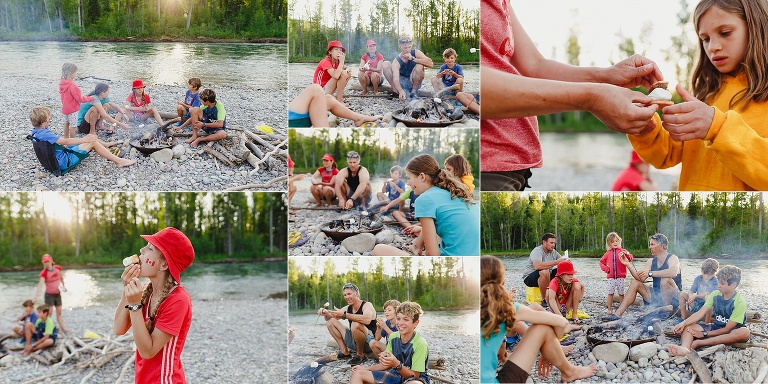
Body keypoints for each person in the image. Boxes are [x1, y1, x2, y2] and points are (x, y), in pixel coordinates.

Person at [480, 1, 664, 191]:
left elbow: (534, 66)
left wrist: (605, 77)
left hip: (515, 170)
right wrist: (593, 98)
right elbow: (469, 86)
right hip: (483, 169)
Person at [628, 0, 768, 191]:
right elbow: (667, 155)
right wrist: (644, 126)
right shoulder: (706, 93)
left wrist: (717, 127)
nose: (713, 47)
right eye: (705, 38)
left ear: (756, 28)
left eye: (725, 33)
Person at [480, 255, 597, 383]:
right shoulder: (508, 308)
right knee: (543, 327)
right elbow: (562, 322)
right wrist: (546, 350)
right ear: (502, 282)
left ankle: (554, 352)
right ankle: (569, 371)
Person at [114, 227, 195, 383]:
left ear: (164, 265)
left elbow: (148, 351)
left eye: (150, 248)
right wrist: (127, 289)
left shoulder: (178, 300)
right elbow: (119, 329)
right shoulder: (145, 291)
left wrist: (135, 305)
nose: (141, 250)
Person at [372, 154, 479, 256]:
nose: (408, 183)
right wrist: (419, 242)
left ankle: (416, 247)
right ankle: (416, 246)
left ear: (422, 176)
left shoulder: (425, 199)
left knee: (379, 249)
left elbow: (432, 255)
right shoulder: (453, 190)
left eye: (409, 178)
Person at [668, 265, 751, 357]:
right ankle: (685, 348)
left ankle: (700, 343)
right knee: (688, 327)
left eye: (722, 283)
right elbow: (700, 313)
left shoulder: (739, 302)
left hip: (731, 332)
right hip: (716, 328)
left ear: (733, 285)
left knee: (744, 332)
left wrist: (704, 334)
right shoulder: (715, 294)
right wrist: (683, 324)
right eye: (718, 282)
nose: (718, 285)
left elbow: (727, 329)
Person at [30, 106, 136, 169]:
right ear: (43, 121)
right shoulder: (46, 134)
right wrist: (85, 140)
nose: (50, 119)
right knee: (91, 141)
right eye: (48, 118)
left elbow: (58, 142)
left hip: (52, 160)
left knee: (89, 137)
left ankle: (105, 145)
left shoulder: (36, 132)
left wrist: (85, 138)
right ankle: (118, 161)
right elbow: (65, 140)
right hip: (63, 162)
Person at [350, 301, 430, 384]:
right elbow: (385, 365)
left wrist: (397, 364)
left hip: (414, 378)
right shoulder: (393, 337)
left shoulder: (420, 343)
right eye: (398, 318)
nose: (400, 323)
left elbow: (415, 375)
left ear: (416, 323)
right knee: (357, 374)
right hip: (395, 373)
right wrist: (365, 368)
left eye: (406, 319)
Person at [609, 233, 682, 320]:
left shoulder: (673, 258)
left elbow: (673, 272)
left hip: (673, 299)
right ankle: (618, 314)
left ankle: (665, 311)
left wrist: (651, 273)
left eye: (652, 244)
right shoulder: (650, 261)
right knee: (635, 282)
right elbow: (640, 278)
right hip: (656, 298)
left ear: (661, 246)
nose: (649, 247)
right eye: (650, 244)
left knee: (665, 280)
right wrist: (627, 264)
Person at [317, 283, 377, 366]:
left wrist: (344, 315)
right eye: (345, 295)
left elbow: (367, 319)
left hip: (369, 344)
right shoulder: (347, 308)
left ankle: (360, 355)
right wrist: (325, 313)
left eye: (349, 294)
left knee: (355, 324)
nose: (347, 297)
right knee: (330, 322)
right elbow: (331, 317)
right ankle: (345, 352)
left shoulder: (367, 305)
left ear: (357, 293)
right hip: (354, 341)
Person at [288, 84, 380, 128]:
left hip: (294, 119)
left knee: (328, 99)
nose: (340, 52)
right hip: (291, 121)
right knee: (315, 89)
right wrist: (341, 63)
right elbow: (336, 75)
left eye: (341, 50)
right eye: (337, 50)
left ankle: (359, 118)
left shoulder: (335, 63)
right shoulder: (327, 62)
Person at [383, 36, 434, 100]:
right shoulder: (397, 61)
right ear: (400, 47)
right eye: (405, 48)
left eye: (409, 47)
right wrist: (400, 90)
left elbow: (431, 64)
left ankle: (413, 92)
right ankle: (396, 91)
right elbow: (395, 79)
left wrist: (413, 59)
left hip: (414, 81)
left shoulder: (416, 53)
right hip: (402, 83)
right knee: (385, 64)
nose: (408, 50)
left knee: (419, 66)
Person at [522, 233, 566, 306]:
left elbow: (561, 262)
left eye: (554, 243)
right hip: (530, 277)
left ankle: (562, 296)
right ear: (544, 242)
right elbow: (537, 266)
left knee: (563, 271)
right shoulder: (537, 250)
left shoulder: (553, 252)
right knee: (545, 271)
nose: (553, 245)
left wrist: (566, 262)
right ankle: (545, 299)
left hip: (546, 276)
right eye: (551, 243)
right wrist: (556, 262)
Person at [31, 254, 68, 333]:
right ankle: (48, 329)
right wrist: (35, 297)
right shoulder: (43, 273)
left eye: (47, 261)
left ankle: (63, 328)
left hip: (57, 294)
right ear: (43, 263)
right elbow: (40, 285)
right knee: (49, 313)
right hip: (49, 295)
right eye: (45, 262)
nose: (46, 263)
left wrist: (64, 286)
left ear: (51, 260)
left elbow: (61, 277)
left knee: (59, 312)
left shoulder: (58, 268)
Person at [599, 232, 634, 315]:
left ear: (619, 241)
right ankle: (609, 309)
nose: (615, 243)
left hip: (620, 277)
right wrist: (607, 269)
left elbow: (630, 258)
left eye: (616, 241)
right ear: (609, 243)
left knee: (621, 294)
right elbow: (601, 262)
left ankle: (622, 309)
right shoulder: (607, 253)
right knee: (610, 293)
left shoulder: (623, 251)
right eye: (612, 241)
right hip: (611, 277)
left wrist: (626, 254)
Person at [59, 63, 95, 138]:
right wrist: (90, 98)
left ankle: (65, 137)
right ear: (71, 73)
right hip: (73, 109)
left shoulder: (62, 83)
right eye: (75, 72)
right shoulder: (73, 86)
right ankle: (72, 140)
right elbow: (80, 98)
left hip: (65, 108)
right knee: (73, 126)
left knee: (66, 122)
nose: (76, 74)